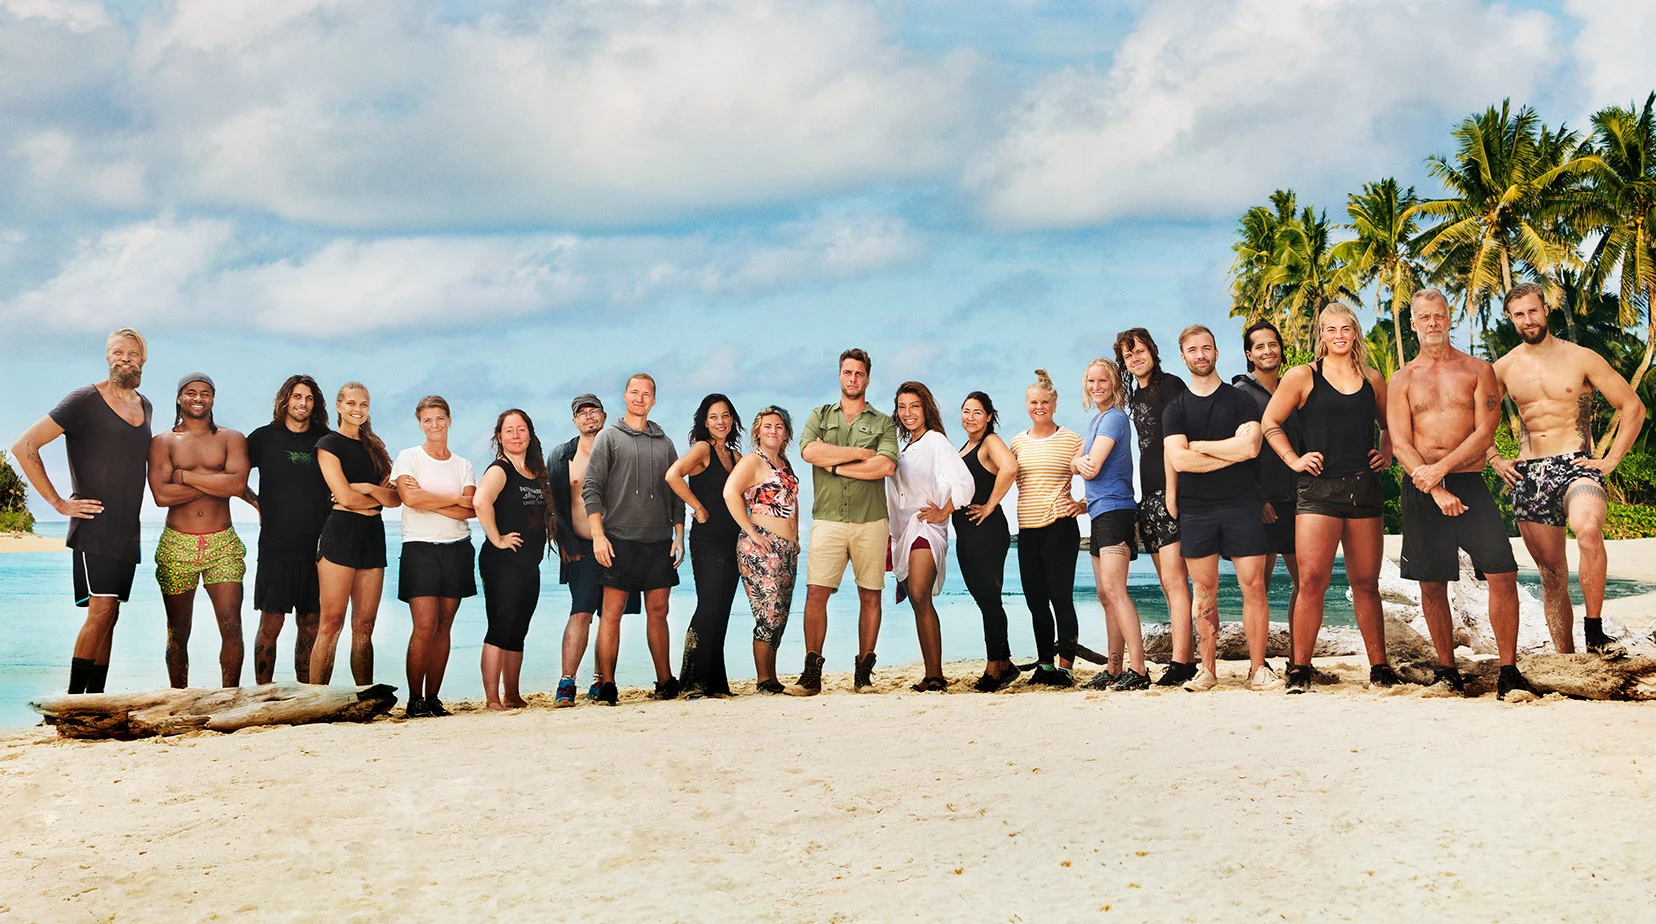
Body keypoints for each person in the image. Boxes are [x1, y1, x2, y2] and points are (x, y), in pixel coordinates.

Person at [1492, 282, 1647, 659]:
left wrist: (1610, 459)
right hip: (1530, 473)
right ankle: (1567, 658)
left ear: (1546, 310)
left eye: (1533, 310)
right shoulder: (1504, 368)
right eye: (1519, 314)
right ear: (1510, 319)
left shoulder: (1581, 358)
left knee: (1588, 529)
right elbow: (1474, 420)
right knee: (1552, 574)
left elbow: (1633, 406)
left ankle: (1594, 631)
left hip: (1577, 465)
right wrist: (1494, 458)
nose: (1528, 319)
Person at [1388, 289, 1528, 698]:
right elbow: (1400, 443)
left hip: (1467, 482)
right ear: (1413, 323)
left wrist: (1443, 470)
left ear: (1449, 319)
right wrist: (1433, 486)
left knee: (1503, 572)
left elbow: (1485, 431)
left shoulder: (1478, 369)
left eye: (1439, 315)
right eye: (1424, 317)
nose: (1432, 323)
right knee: (1432, 583)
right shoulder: (1402, 379)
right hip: (1422, 486)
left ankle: (1509, 671)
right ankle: (1447, 671)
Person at [1262, 304, 1396, 694]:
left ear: (1355, 332)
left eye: (1346, 328)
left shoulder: (1372, 378)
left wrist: (1386, 453)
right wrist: (1293, 459)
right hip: (1318, 492)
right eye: (1331, 329)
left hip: (1363, 490)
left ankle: (1380, 668)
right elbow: (1270, 422)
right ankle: (1300, 670)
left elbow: (1389, 426)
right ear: (1321, 334)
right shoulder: (1302, 376)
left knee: (1366, 583)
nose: (1339, 335)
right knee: (1311, 582)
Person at [12, 328, 152, 695]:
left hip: (128, 530)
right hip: (94, 526)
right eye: (118, 352)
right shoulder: (83, 400)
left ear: (143, 359)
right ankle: (73, 704)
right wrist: (58, 503)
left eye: (132, 353)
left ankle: (96, 702)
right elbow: (24, 446)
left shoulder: (146, 406)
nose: (125, 359)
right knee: (100, 611)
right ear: (107, 357)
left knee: (112, 614)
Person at [1163, 325, 1272, 692]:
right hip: (1197, 508)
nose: (1201, 354)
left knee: (1253, 585)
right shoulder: (1176, 408)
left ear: (1216, 352)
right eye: (1193, 349)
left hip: (1242, 502)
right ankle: (1207, 671)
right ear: (1183, 357)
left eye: (1206, 347)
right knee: (1204, 589)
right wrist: (1229, 450)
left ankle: (1258, 669)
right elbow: (1180, 460)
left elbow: (1251, 448)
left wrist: (1201, 446)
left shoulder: (1240, 400)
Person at [796, 348, 899, 695]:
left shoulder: (884, 422)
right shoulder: (820, 415)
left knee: (870, 595)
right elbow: (809, 452)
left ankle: (863, 675)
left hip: (871, 521)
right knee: (816, 593)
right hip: (827, 520)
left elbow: (884, 466)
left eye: (859, 373)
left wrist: (834, 465)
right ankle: (811, 676)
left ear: (867, 379)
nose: (853, 378)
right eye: (847, 372)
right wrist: (858, 454)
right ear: (839, 375)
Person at [583, 373, 685, 705]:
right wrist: (598, 536)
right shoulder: (609, 437)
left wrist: (679, 536)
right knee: (611, 612)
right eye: (635, 393)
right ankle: (607, 685)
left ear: (654, 400)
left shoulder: (665, 442)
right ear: (625, 396)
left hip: (658, 541)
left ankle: (665, 681)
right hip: (618, 540)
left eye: (647, 394)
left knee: (659, 610)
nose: (640, 399)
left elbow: (676, 492)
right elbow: (591, 488)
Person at [147, 373, 251, 688]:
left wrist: (186, 476)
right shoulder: (162, 442)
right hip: (177, 543)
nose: (198, 398)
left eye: (205, 393)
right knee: (178, 630)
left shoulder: (232, 439)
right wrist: (217, 483)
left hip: (223, 542)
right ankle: (179, 698)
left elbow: (237, 485)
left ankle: (229, 698)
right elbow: (161, 496)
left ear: (213, 399)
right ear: (179, 398)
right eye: (191, 392)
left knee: (232, 626)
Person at [1115, 328, 1197, 686]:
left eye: (1140, 351)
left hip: (1170, 490)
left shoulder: (1170, 386)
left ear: (1152, 351)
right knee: (1167, 582)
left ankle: (1180, 663)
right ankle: (1186, 658)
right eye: (1128, 355)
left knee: (1176, 580)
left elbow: (1174, 443)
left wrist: (1172, 493)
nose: (1135, 358)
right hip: (1148, 494)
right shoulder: (1136, 395)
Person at [548, 394, 640, 706]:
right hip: (581, 548)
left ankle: (601, 681)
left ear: (604, 415)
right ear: (575, 420)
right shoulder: (562, 456)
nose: (588, 417)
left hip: (619, 545)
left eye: (593, 411)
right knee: (582, 610)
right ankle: (567, 682)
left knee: (610, 615)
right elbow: (552, 503)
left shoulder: (622, 448)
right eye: (582, 413)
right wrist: (564, 541)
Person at [309, 382, 400, 685]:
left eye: (363, 404)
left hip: (372, 536)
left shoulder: (375, 447)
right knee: (331, 623)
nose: (357, 409)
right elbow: (345, 498)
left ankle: (366, 696)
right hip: (341, 534)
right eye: (351, 403)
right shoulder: (328, 444)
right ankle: (317, 699)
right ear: (338, 406)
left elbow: (395, 499)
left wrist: (368, 488)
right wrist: (374, 497)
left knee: (364, 627)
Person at [391, 396, 476, 717]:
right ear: (420, 424)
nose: (434, 425)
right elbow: (410, 499)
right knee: (425, 625)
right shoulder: (409, 457)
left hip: (457, 549)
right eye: (427, 420)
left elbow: (469, 510)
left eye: (440, 418)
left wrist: (429, 498)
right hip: (419, 548)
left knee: (444, 626)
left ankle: (433, 698)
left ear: (449, 420)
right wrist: (453, 499)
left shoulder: (463, 465)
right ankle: (414, 700)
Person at [887, 382, 975, 692]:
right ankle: (930, 672)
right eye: (902, 407)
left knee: (920, 594)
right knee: (916, 599)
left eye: (914, 406)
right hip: (903, 532)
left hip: (926, 527)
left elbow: (964, 482)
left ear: (926, 408)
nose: (908, 413)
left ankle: (936, 675)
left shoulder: (936, 441)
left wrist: (944, 511)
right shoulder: (904, 448)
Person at [244, 375, 331, 684]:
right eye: (296, 396)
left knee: (311, 623)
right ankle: (262, 693)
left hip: (317, 547)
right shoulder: (262, 438)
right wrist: (256, 502)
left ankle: (305, 694)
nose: (302, 403)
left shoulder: (326, 440)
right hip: (275, 546)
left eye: (308, 398)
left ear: (315, 404)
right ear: (284, 400)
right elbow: (235, 475)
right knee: (271, 623)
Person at [1073, 359, 1150, 692]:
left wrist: (1078, 462)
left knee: (1116, 591)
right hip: (1099, 513)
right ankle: (1114, 668)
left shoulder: (1116, 418)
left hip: (1117, 512)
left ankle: (1139, 670)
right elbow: (1079, 462)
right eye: (1091, 381)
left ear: (1114, 383)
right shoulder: (1097, 420)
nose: (1096, 386)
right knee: (1105, 594)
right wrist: (1078, 462)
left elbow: (1090, 467)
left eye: (1102, 380)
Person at [1009, 369, 1086, 688]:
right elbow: (1001, 476)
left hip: (1060, 527)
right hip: (1027, 530)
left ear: (1054, 404)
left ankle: (1065, 668)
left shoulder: (1072, 439)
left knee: (1060, 597)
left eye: (1044, 402)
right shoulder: (1016, 443)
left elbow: (1100, 473)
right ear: (1026, 405)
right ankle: (1044, 665)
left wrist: (1083, 505)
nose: (1039, 407)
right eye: (1033, 402)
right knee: (1036, 600)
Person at [665, 395, 745, 700]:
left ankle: (716, 684)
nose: (720, 422)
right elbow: (673, 475)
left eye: (725, 415)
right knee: (709, 606)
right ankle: (691, 683)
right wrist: (696, 506)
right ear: (705, 422)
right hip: (707, 540)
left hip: (733, 539)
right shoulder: (702, 449)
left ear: (732, 420)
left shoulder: (736, 456)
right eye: (713, 417)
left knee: (722, 610)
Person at [1232, 322, 1302, 655]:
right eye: (1259, 346)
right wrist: (1257, 498)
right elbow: (1236, 452)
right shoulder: (1241, 394)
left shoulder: (1293, 389)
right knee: (1258, 586)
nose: (1267, 351)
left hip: (1299, 499)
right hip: (1262, 502)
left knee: (1306, 583)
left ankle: (1298, 659)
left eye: (1272, 344)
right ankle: (1258, 661)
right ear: (1249, 354)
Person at [475, 409, 552, 710]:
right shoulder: (500, 469)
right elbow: (480, 501)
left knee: (519, 628)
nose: (516, 435)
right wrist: (497, 538)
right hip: (502, 562)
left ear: (530, 435)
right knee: (500, 625)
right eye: (509, 430)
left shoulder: (535, 472)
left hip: (528, 564)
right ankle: (492, 698)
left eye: (521, 430)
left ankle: (512, 695)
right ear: (500, 436)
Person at [724, 406, 801, 694]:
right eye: (767, 426)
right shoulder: (753, 461)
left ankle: (772, 676)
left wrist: (795, 536)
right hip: (761, 546)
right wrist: (752, 532)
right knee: (767, 612)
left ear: (786, 433)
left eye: (779, 426)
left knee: (780, 614)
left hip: (786, 548)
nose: (773, 431)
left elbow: (791, 500)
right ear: (757, 431)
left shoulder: (784, 463)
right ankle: (763, 679)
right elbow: (730, 493)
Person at [954, 392, 1020, 692]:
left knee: (989, 598)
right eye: (966, 411)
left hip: (987, 530)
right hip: (967, 532)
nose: (970, 417)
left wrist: (990, 505)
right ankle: (1004, 662)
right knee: (985, 599)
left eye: (977, 412)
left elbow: (1010, 467)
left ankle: (995, 667)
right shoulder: (964, 447)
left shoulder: (989, 442)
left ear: (989, 416)